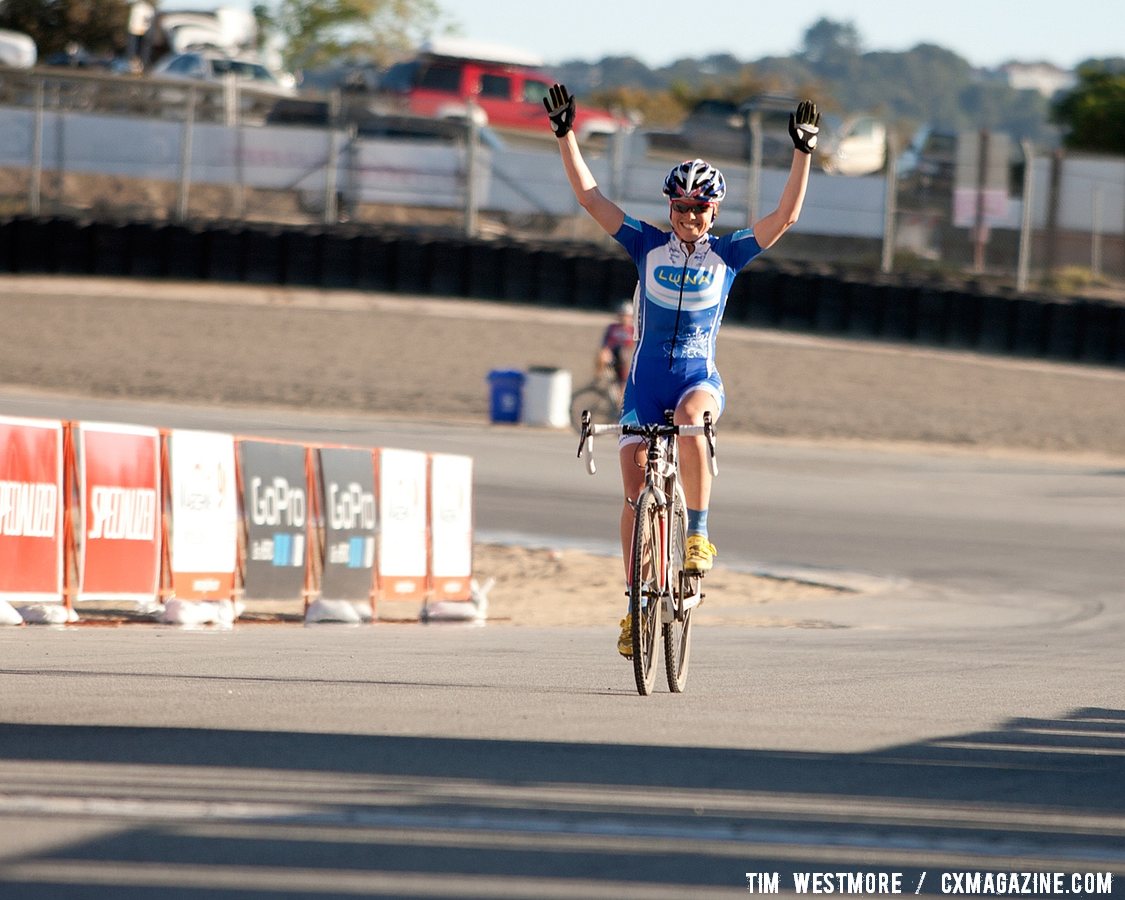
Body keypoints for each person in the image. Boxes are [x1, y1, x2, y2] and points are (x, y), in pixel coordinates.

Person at [544, 83, 819, 657]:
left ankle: (697, 535)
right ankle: (634, 604)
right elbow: (592, 199)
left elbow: (787, 217)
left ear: (713, 211)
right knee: (632, 490)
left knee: (694, 416)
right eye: (680, 207)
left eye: (700, 209)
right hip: (645, 386)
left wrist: (803, 152)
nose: (689, 216)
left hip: (698, 379)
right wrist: (566, 134)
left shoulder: (729, 254)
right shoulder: (646, 245)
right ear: (669, 208)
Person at [596, 296, 636, 405]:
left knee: (624, 355)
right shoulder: (612, 327)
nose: (624, 318)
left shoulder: (633, 330)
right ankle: (598, 379)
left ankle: (620, 399)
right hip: (612, 354)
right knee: (603, 354)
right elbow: (605, 344)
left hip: (625, 359)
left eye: (626, 316)